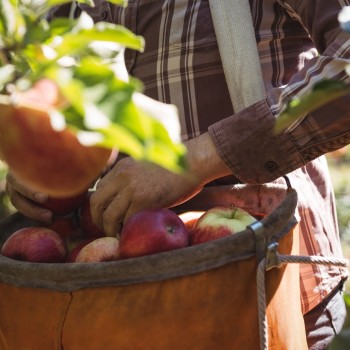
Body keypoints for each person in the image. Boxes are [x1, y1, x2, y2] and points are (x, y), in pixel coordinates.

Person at [5, 1, 350, 349]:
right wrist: (41, 162)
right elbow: (57, 104)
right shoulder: (71, 6)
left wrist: (194, 162)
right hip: (112, 306)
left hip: (266, 292)